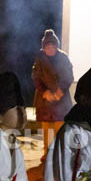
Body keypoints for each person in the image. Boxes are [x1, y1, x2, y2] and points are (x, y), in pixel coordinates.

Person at [31, 29, 73, 158]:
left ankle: (60, 155)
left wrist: (60, 90)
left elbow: (69, 76)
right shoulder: (39, 59)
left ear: (56, 45)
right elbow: (36, 78)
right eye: (47, 46)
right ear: (44, 47)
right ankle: (47, 153)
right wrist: (45, 92)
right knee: (47, 128)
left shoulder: (63, 57)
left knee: (60, 127)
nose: (50, 48)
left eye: (53, 45)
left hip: (61, 99)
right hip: (45, 100)